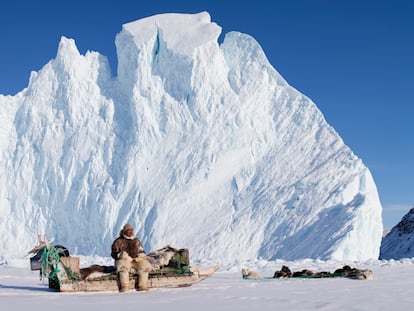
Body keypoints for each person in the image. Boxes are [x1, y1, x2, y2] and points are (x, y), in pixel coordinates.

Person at [111, 224, 152, 292]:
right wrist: (120, 255)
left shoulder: (136, 240)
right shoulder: (118, 241)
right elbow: (113, 253)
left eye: (131, 230)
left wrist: (141, 255)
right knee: (123, 268)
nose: (131, 232)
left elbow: (142, 250)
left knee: (145, 266)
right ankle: (125, 287)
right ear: (124, 231)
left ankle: (142, 286)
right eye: (129, 230)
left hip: (135, 260)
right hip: (124, 260)